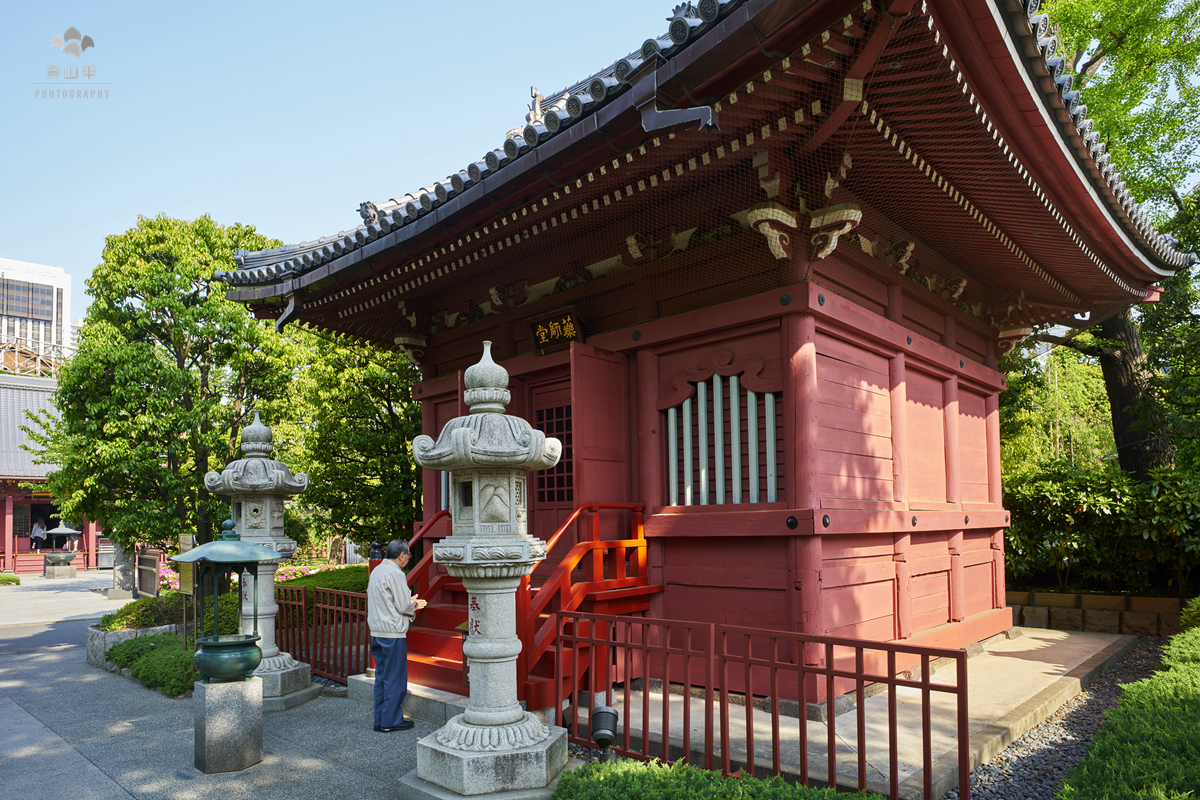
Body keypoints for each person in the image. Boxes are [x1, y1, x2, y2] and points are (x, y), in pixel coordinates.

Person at [367, 538, 426, 732]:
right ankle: (390, 720)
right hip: (392, 633)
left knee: (382, 677)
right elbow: (403, 606)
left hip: (377, 631)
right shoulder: (396, 574)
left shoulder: (377, 571)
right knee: (395, 678)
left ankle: (380, 719)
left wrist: (408, 602)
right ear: (401, 555)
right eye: (408, 555)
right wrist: (415, 604)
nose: (408, 558)